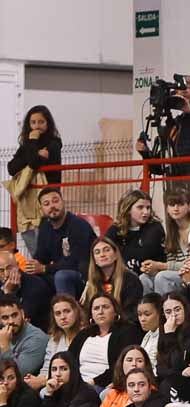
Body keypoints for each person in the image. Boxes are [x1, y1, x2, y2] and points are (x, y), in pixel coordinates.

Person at [134, 75, 190, 185]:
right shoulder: (175, 125)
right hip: (182, 192)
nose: (185, 89)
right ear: (175, 93)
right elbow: (161, 167)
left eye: (189, 86)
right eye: (181, 87)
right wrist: (145, 152)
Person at [7, 105, 62, 253]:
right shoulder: (26, 145)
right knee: (33, 248)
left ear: (48, 123)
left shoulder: (54, 144)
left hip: (47, 198)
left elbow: (33, 163)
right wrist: (34, 149)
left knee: (47, 246)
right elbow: (12, 168)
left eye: (41, 122)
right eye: (33, 122)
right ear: (28, 125)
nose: (37, 126)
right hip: (28, 201)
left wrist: (32, 148)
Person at [33, 188, 95, 299]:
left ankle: (68, 312)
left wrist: (45, 268)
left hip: (85, 276)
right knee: (31, 279)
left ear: (63, 202)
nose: (52, 206)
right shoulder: (45, 227)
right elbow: (41, 256)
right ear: (41, 209)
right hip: (58, 272)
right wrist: (30, 267)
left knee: (61, 276)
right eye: (46, 204)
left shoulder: (78, 225)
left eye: (55, 201)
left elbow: (78, 261)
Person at [0, 294, 51, 377]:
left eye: (14, 315)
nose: (11, 321)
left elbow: (17, 374)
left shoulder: (37, 339)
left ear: (22, 314)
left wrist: (5, 347)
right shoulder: (2, 333)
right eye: (5, 318)